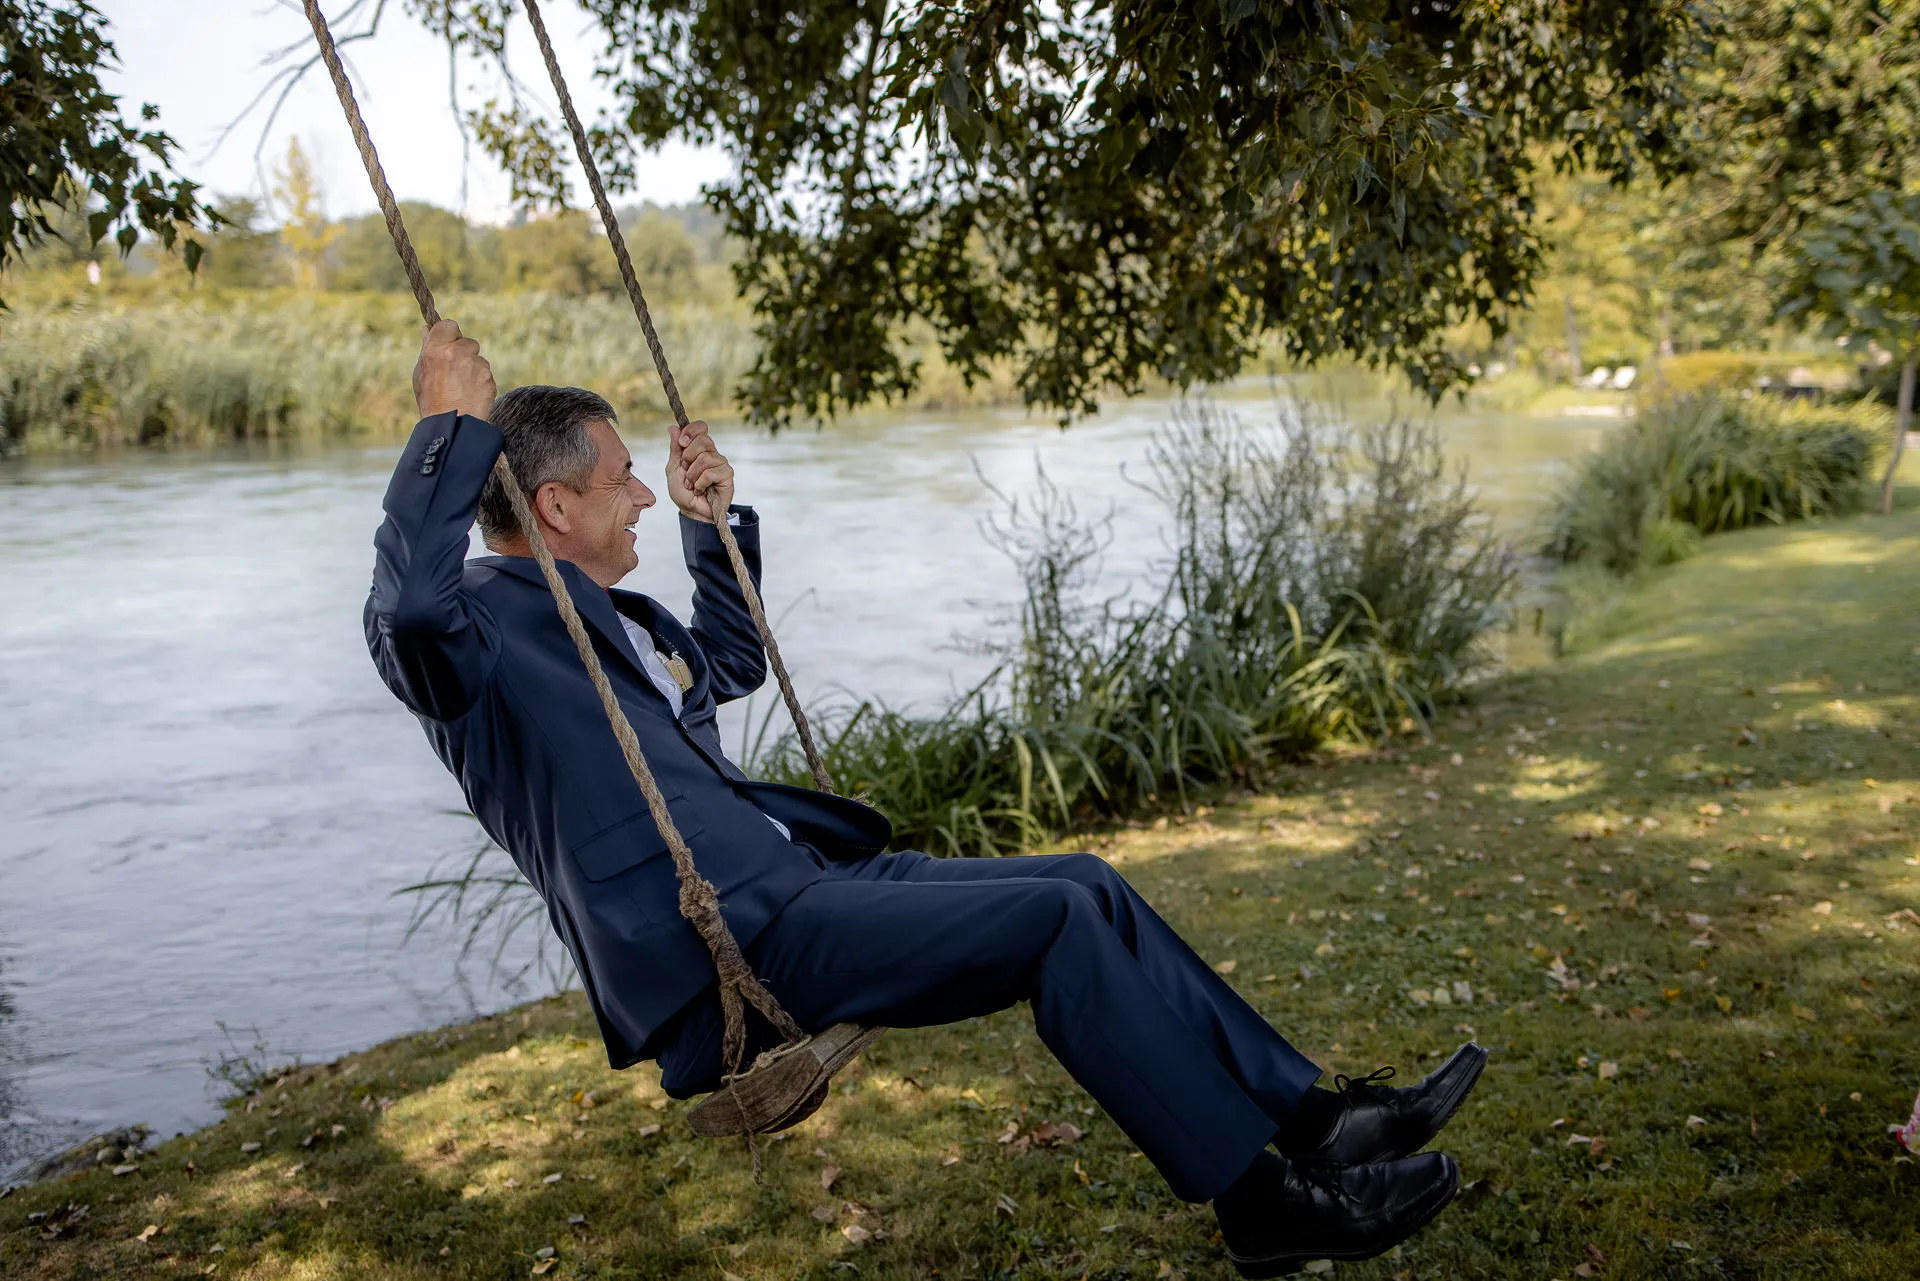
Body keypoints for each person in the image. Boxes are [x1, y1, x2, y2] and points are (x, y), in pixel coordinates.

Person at [368, 320, 1484, 1277]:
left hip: (808, 892)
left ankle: (1324, 1122)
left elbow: (729, 663)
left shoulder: (620, 619)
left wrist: (713, 528)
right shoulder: (477, 637)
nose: (645, 493)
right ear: (554, 504)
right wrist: (445, 432)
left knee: (1087, 882)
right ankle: (1263, 1207)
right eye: (624, 479)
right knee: (1054, 923)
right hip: (732, 956)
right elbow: (408, 614)